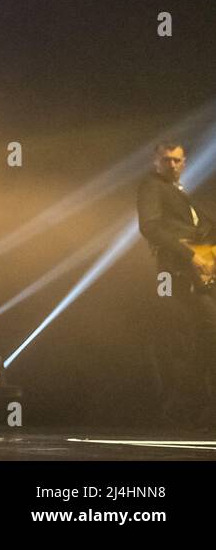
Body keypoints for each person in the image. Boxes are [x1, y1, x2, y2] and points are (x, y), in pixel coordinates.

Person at [137, 141, 216, 424]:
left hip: (200, 271)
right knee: (185, 338)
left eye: (177, 160)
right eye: (166, 160)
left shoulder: (182, 192)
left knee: (204, 336)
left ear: (184, 163)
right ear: (155, 162)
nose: (172, 165)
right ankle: (183, 410)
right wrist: (191, 255)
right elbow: (150, 226)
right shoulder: (151, 187)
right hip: (176, 273)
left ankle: (197, 408)